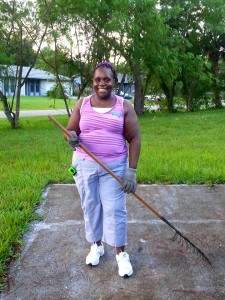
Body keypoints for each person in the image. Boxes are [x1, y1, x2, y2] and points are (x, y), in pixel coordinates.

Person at [66, 61, 141, 278]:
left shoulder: (124, 106)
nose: (102, 83)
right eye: (98, 79)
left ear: (114, 82)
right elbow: (70, 130)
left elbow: (135, 138)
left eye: (107, 79)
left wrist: (131, 171)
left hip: (114, 167)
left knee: (115, 208)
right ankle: (96, 246)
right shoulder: (82, 104)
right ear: (93, 82)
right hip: (84, 165)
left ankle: (120, 254)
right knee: (91, 206)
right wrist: (71, 138)